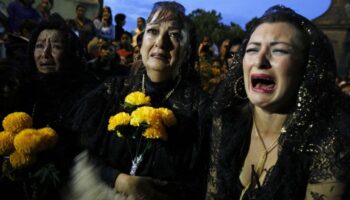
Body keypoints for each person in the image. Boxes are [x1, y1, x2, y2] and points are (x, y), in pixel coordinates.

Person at [65, 2, 210, 200]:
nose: (161, 42)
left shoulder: (200, 110)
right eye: (153, 31)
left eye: (174, 35)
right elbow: (78, 151)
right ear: (141, 43)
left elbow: (203, 182)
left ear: (186, 51)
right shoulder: (111, 92)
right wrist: (118, 179)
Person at [207, 5, 350, 200]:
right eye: (252, 49)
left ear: (306, 68)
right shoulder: (227, 121)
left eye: (280, 50)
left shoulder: (329, 142)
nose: (260, 60)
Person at [1, 13, 96, 200]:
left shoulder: (88, 94)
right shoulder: (22, 90)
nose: (45, 54)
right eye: (39, 45)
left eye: (56, 46)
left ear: (70, 53)